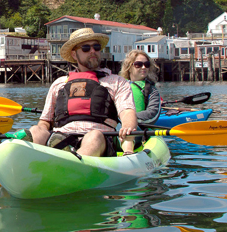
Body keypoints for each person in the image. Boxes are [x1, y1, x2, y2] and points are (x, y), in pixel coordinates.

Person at [28, 28, 138, 156]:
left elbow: (127, 112)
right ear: (74, 55)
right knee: (35, 130)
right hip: (62, 136)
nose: (92, 51)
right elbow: (46, 121)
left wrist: (128, 127)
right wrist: (40, 131)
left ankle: (70, 162)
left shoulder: (116, 82)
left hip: (99, 139)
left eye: (96, 47)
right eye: (86, 48)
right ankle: (33, 159)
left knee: (94, 136)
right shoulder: (60, 84)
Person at [119, 50, 162, 126]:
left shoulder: (151, 90)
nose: (143, 67)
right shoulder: (118, 86)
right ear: (129, 67)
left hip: (140, 130)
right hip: (118, 128)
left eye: (147, 64)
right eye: (138, 64)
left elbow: (152, 115)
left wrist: (128, 119)